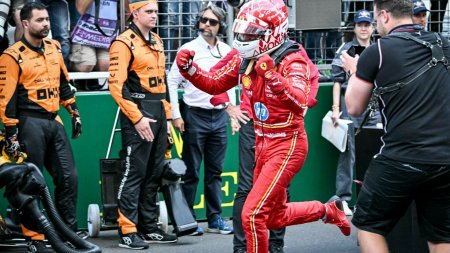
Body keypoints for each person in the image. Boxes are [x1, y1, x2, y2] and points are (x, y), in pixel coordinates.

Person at [175, 0, 351, 252]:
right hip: (261, 142)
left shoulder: (293, 60)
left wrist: (272, 76)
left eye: (250, 33)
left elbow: (301, 102)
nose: (243, 38)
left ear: (272, 32)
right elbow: (214, 82)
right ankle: (327, 210)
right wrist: (189, 69)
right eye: (241, 32)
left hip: (287, 144)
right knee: (273, 216)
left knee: (252, 214)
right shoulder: (244, 54)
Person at [341, 0, 450, 252]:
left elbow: (355, 107)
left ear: (385, 16)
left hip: (401, 157)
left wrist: (355, 72)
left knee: (368, 224)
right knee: (441, 236)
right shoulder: (444, 42)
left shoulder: (377, 50)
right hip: (445, 158)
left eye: (376, 19)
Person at [0, 2, 82, 253]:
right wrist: (11, 135)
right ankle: (34, 237)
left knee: (69, 177)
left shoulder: (54, 47)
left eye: (47, 19)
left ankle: (68, 231)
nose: (46, 24)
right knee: (31, 183)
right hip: (28, 123)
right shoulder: (11, 56)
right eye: (39, 20)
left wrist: (73, 111)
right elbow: (6, 99)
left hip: (53, 120)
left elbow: (63, 81)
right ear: (25, 24)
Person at [108, 0, 176, 250]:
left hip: (158, 111)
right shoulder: (123, 42)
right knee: (133, 172)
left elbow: (164, 83)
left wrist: (167, 117)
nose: (154, 16)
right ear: (134, 14)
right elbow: (116, 87)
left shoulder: (157, 40)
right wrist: (136, 118)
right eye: (149, 11)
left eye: (156, 11)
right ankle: (127, 230)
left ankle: (149, 227)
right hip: (139, 111)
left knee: (154, 173)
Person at [167, 4, 235, 236]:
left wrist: (232, 113)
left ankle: (215, 219)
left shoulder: (227, 50)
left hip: (218, 117)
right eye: (203, 20)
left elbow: (231, 83)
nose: (206, 25)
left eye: (212, 22)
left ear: (220, 26)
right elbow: (172, 81)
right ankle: (187, 221)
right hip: (194, 114)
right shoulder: (187, 49)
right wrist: (175, 114)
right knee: (191, 171)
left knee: (215, 171)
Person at [329, 9, 380, 216]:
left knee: (373, 153)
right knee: (348, 153)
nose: (364, 28)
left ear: (372, 27)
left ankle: (369, 198)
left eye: (367, 25)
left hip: (374, 107)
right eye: (360, 25)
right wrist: (335, 109)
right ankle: (343, 199)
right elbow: (336, 81)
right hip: (349, 105)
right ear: (355, 27)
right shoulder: (346, 49)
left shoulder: (379, 49)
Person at [69, 0, 118, 90]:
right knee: (86, 65)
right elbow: (80, 9)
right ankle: (67, 66)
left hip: (105, 35)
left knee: (105, 64)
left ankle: (89, 81)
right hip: (82, 34)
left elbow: (128, 10)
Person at [12, 0, 71, 66]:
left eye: (47, 20)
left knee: (62, 36)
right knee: (28, 33)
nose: (45, 23)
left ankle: (61, 68)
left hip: (58, 2)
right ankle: (24, 65)